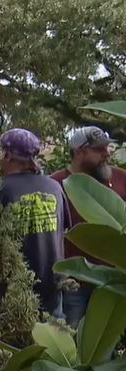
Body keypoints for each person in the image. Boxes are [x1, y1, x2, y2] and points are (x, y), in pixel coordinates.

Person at [0, 128, 71, 319]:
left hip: (10, 292)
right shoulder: (54, 187)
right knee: (53, 345)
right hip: (52, 289)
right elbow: (63, 231)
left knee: (12, 347)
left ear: (7, 155)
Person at [50, 126, 126, 327]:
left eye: (107, 148)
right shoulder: (55, 184)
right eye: (99, 150)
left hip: (111, 283)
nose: (107, 153)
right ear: (79, 152)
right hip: (74, 284)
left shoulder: (121, 179)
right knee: (74, 344)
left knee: (105, 346)